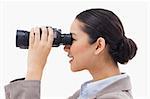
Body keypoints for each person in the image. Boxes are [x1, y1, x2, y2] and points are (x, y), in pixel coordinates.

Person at [5, 8, 137, 99]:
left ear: (99, 45)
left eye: (72, 39)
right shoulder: (86, 93)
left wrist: (34, 70)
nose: (66, 48)